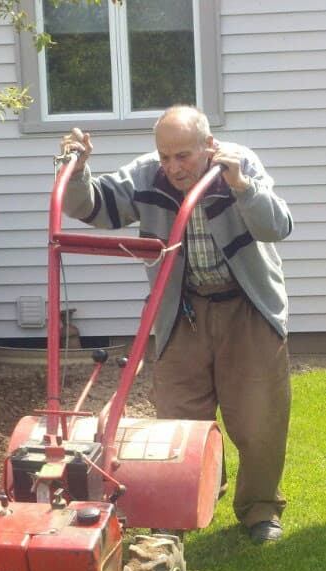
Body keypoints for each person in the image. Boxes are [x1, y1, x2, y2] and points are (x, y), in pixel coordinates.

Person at [59, 105, 293, 543]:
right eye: (165, 156)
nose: (173, 167)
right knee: (177, 417)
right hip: (182, 309)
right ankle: (184, 502)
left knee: (259, 416)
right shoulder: (148, 175)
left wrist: (242, 186)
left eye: (183, 156)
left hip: (246, 306)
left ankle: (260, 510)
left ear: (208, 146)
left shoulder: (238, 165)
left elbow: (277, 226)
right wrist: (78, 172)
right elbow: (93, 207)